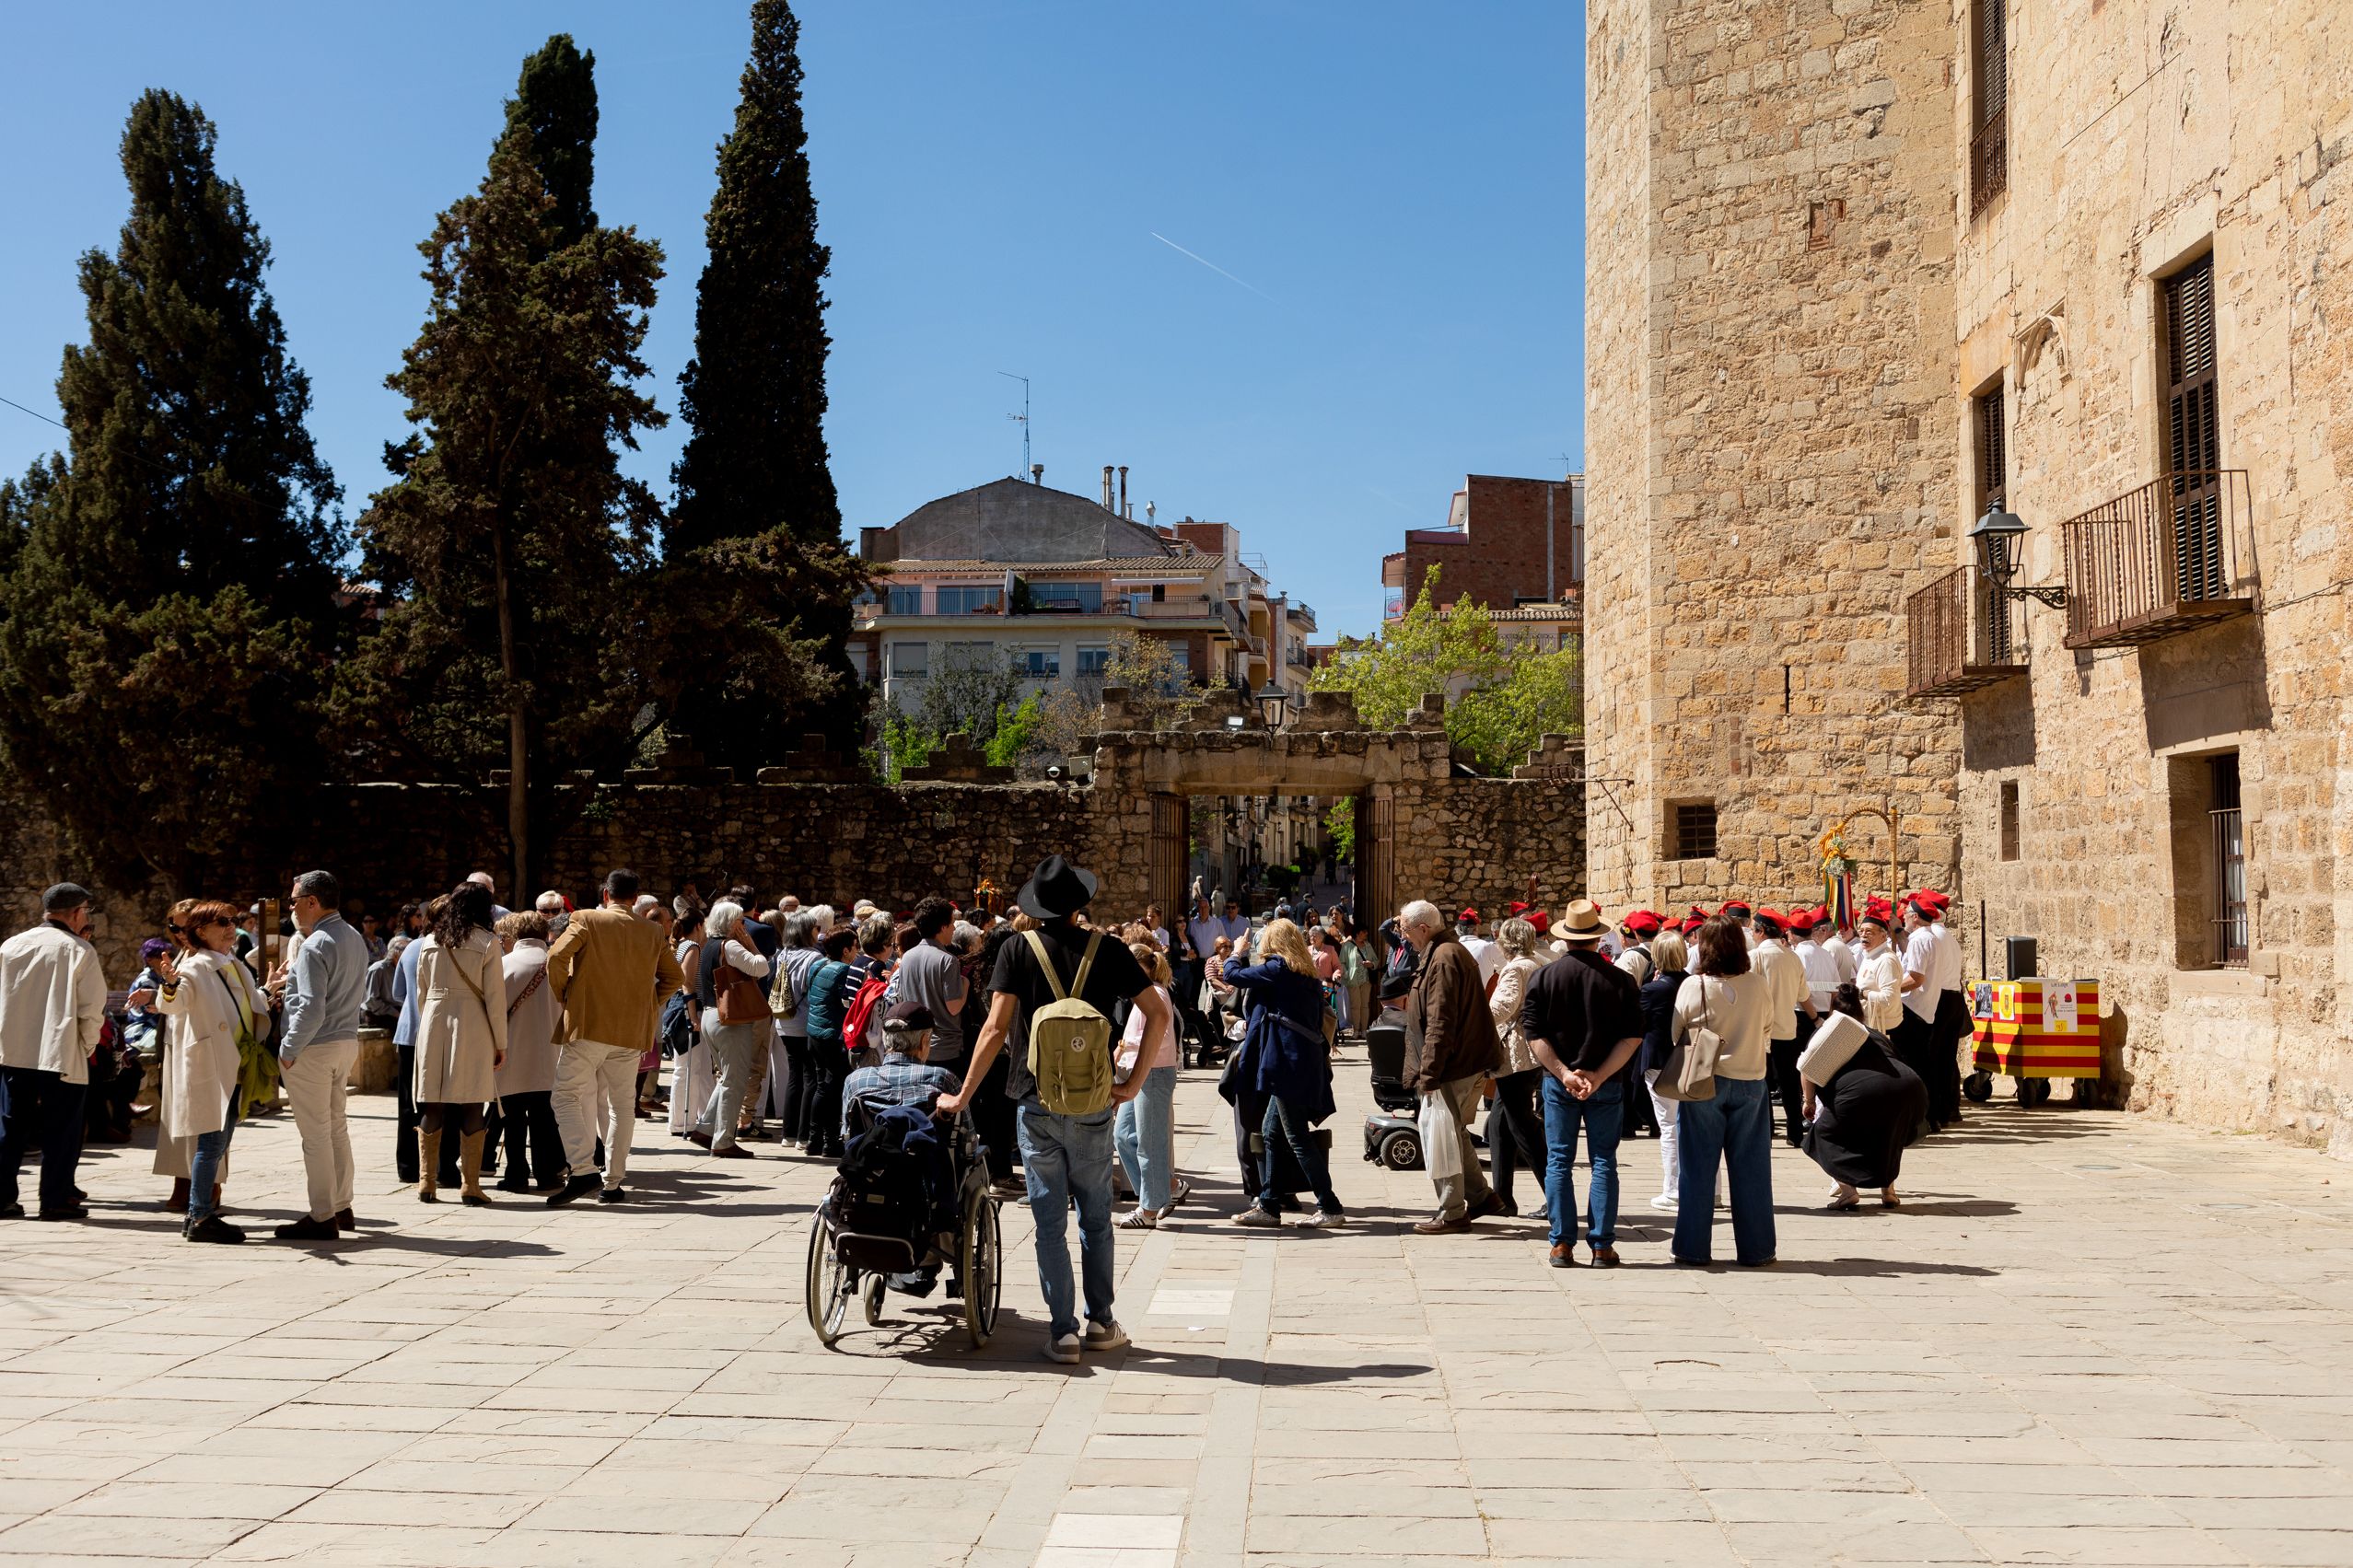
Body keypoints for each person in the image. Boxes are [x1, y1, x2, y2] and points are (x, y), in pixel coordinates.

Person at [939, 854, 1168, 1365]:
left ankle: (1062, 1332)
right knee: (1097, 1219)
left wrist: (963, 1096)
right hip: (1093, 1101)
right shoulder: (1108, 949)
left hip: (1034, 1097)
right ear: (1078, 905)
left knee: (1048, 1223)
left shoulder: (1017, 950)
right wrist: (1131, 1083)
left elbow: (996, 1030)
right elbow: (1156, 1012)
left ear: (1035, 907)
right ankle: (1101, 1322)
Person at [544, 868, 687, 1206]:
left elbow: (555, 956)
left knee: (564, 1097)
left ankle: (582, 1169)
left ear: (606, 894)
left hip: (588, 1025)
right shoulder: (652, 931)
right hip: (629, 1032)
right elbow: (674, 975)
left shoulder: (587, 919)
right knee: (622, 1106)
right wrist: (648, 1004)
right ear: (635, 899)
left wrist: (564, 994)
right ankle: (612, 1182)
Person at [1521, 900, 1645, 1267]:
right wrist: (1600, 1074)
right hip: (1604, 1081)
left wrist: (1564, 1073)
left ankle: (1561, 1243)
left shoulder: (1543, 977)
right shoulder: (1620, 981)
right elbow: (1632, 1037)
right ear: (1596, 937)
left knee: (1559, 1160)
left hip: (1560, 1082)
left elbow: (1534, 1033)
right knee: (1604, 1161)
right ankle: (1602, 1246)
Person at [151, 900, 269, 1242]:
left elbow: (241, 1004)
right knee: (211, 1142)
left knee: (218, 1142)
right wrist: (169, 985)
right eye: (222, 922)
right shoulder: (195, 967)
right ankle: (200, 1216)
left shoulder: (231, 963)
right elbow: (174, 1001)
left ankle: (197, 1214)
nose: (231, 926)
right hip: (212, 1062)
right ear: (201, 931)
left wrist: (268, 990)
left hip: (233, 1063)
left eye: (232, 920)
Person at [1670, 916, 1777, 1267]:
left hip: (1706, 1080)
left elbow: (1676, 1032)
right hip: (1750, 1080)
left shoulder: (1693, 986)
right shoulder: (1758, 985)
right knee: (1752, 1169)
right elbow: (1766, 1025)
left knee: (1697, 1167)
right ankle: (1757, 1248)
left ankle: (1693, 1247)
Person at [1225, 918, 1344, 1230]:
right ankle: (1268, 1204)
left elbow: (1233, 975)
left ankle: (1329, 1204)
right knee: (1272, 1133)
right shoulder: (1305, 974)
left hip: (1287, 1066)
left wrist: (1237, 952)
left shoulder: (1279, 968)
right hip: (1300, 1063)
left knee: (1296, 1137)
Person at [0, 885, 108, 1221]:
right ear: (76, 913)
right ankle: (55, 1200)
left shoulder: (10, 945)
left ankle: (2, 1198)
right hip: (60, 1052)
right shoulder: (79, 950)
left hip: (13, 1051)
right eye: (86, 911)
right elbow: (92, 1009)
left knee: (9, 1127)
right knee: (61, 1131)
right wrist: (86, 1047)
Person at [1396, 899, 1504, 1234]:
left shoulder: (1443, 958)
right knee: (1453, 1131)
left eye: (1407, 931)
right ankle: (1482, 1197)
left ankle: (1453, 1210)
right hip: (1459, 1061)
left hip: (1452, 1065)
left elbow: (1440, 1022)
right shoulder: (1444, 953)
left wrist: (1429, 1073)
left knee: (1438, 1135)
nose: (1405, 938)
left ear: (1423, 929)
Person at [272, 871, 367, 1241]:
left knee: (316, 1136)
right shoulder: (354, 937)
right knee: (336, 1129)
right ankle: (342, 1206)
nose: (291, 907)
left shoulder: (315, 944)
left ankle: (323, 1214)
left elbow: (310, 1008)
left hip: (313, 1047)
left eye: (294, 900)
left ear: (313, 901)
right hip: (344, 1042)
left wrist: (288, 1049)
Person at [409, 882, 507, 1205]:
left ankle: (427, 1182)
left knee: (432, 1103)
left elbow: (422, 992)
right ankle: (471, 1185)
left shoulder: (429, 942)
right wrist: (500, 1042)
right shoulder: (487, 942)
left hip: (434, 1020)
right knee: (472, 1103)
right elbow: (494, 997)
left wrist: (428, 1024)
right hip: (473, 1024)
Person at [1803, 982, 1928, 1210]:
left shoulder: (1828, 1030)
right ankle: (1889, 1192)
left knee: (1822, 1134)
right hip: (1910, 1088)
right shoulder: (1876, 1034)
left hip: (1863, 1092)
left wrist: (1809, 1101)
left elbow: (1807, 1069)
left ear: (1833, 1011)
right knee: (1888, 1136)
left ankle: (1848, 1191)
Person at [691, 900, 771, 1160]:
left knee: (727, 1077)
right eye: (740, 921)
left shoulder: (708, 945)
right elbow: (762, 967)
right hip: (731, 1021)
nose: (743, 925)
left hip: (711, 1016)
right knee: (734, 1081)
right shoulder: (731, 945)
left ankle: (705, 1129)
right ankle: (724, 1140)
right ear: (730, 923)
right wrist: (752, 945)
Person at [1112, 939, 1182, 1229]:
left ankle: (1150, 1208)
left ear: (1147, 966)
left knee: (1149, 1142)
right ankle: (1166, 1187)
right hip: (1141, 1072)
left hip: (1153, 1073)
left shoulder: (1155, 993)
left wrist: (1125, 1047)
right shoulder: (1144, 993)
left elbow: (1158, 1034)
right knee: (1124, 1135)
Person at [1484, 916, 1549, 1220]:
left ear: (1504, 941)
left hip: (1517, 1055)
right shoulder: (1535, 963)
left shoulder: (1515, 968)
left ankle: (1555, 1194)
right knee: (1499, 1125)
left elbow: (1502, 1008)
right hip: (1524, 1054)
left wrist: (1473, 1013)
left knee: (1523, 1127)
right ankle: (1502, 1197)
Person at [495, 912, 565, 1193]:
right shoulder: (558, 965)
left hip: (510, 1051)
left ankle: (516, 1174)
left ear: (516, 935)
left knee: (512, 1120)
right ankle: (547, 1173)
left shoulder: (503, 965)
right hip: (550, 1052)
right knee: (544, 1119)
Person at [1751, 909, 1819, 1148]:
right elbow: (1803, 995)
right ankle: (1794, 1131)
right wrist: (1815, 1019)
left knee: (1761, 1081)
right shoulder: (1793, 957)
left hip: (1761, 1029)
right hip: (1787, 1027)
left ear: (1760, 931)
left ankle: (1765, 1130)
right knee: (1790, 1083)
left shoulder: (1756, 957)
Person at [1636, 930, 1693, 1213]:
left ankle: (1673, 1190)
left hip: (1659, 1061)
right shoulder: (1694, 983)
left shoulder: (1653, 989)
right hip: (1690, 1059)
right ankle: (1711, 1190)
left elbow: (1637, 1022)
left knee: (1669, 1125)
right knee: (1694, 1124)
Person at [799, 927, 862, 1159]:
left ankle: (814, 1139)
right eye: (855, 946)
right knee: (832, 1089)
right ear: (846, 950)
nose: (857, 951)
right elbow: (848, 1002)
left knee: (821, 1086)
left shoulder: (818, 965)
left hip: (814, 1033)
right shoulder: (845, 971)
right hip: (831, 1036)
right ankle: (829, 1141)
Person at [894, 898, 970, 1080]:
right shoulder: (947, 960)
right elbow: (954, 1007)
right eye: (952, 924)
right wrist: (965, 984)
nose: (954, 928)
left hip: (915, 1044)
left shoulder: (908, 957)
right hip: (945, 1048)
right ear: (942, 927)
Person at [768, 911, 823, 1146]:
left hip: (784, 1022)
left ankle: (788, 1134)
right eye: (815, 928)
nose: (817, 932)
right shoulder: (815, 958)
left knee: (794, 1077)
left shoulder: (782, 955)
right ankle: (804, 1135)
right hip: (805, 1023)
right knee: (811, 1077)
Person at [1893, 900, 1946, 1134]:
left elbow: (1915, 978)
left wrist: (1889, 988)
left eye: (1906, 913)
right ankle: (1930, 1116)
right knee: (1924, 1065)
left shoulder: (1920, 940)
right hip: (1925, 1009)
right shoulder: (1931, 938)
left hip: (1913, 1009)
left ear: (1915, 917)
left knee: (1912, 1066)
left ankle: (1918, 1118)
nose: (1904, 916)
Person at [1854, 912, 1905, 1033]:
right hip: (1869, 1023)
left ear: (1883, 936)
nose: (1863, 935)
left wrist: (1863, 993)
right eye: (1861, 931)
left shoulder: (1886, 960)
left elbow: (1888, 999)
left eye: (1869, 932)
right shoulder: (1869, 955)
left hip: (1882, 1027)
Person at [1455, 909, 1500, 995]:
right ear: (1476, 929)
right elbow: (1504, 968)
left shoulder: (1451, 949)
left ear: (1458, 929)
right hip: (1484, 1000)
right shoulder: (1487, 946)